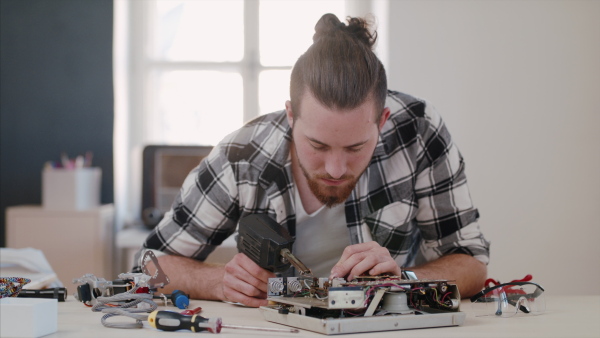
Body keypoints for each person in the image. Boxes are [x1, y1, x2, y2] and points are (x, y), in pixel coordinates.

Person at [133, 13, 490, 307]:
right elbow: (149, 265)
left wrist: (405, 278)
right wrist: (217, 281)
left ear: (382, 121)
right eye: (318, 146)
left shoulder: (418, 131)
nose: (336, 170)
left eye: (355, 148)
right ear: (291, 116)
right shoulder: (240, 157)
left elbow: (472, 262)